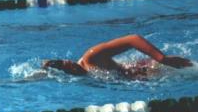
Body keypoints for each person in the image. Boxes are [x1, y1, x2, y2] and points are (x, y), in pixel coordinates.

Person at [43, 34, 192, 79]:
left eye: (67, 62)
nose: (70, 63)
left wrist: (162, 58)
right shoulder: (84, 76)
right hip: (143, 78)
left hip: (150, 69)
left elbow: (132, 39)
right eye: (67, 67)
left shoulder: (90, 58)